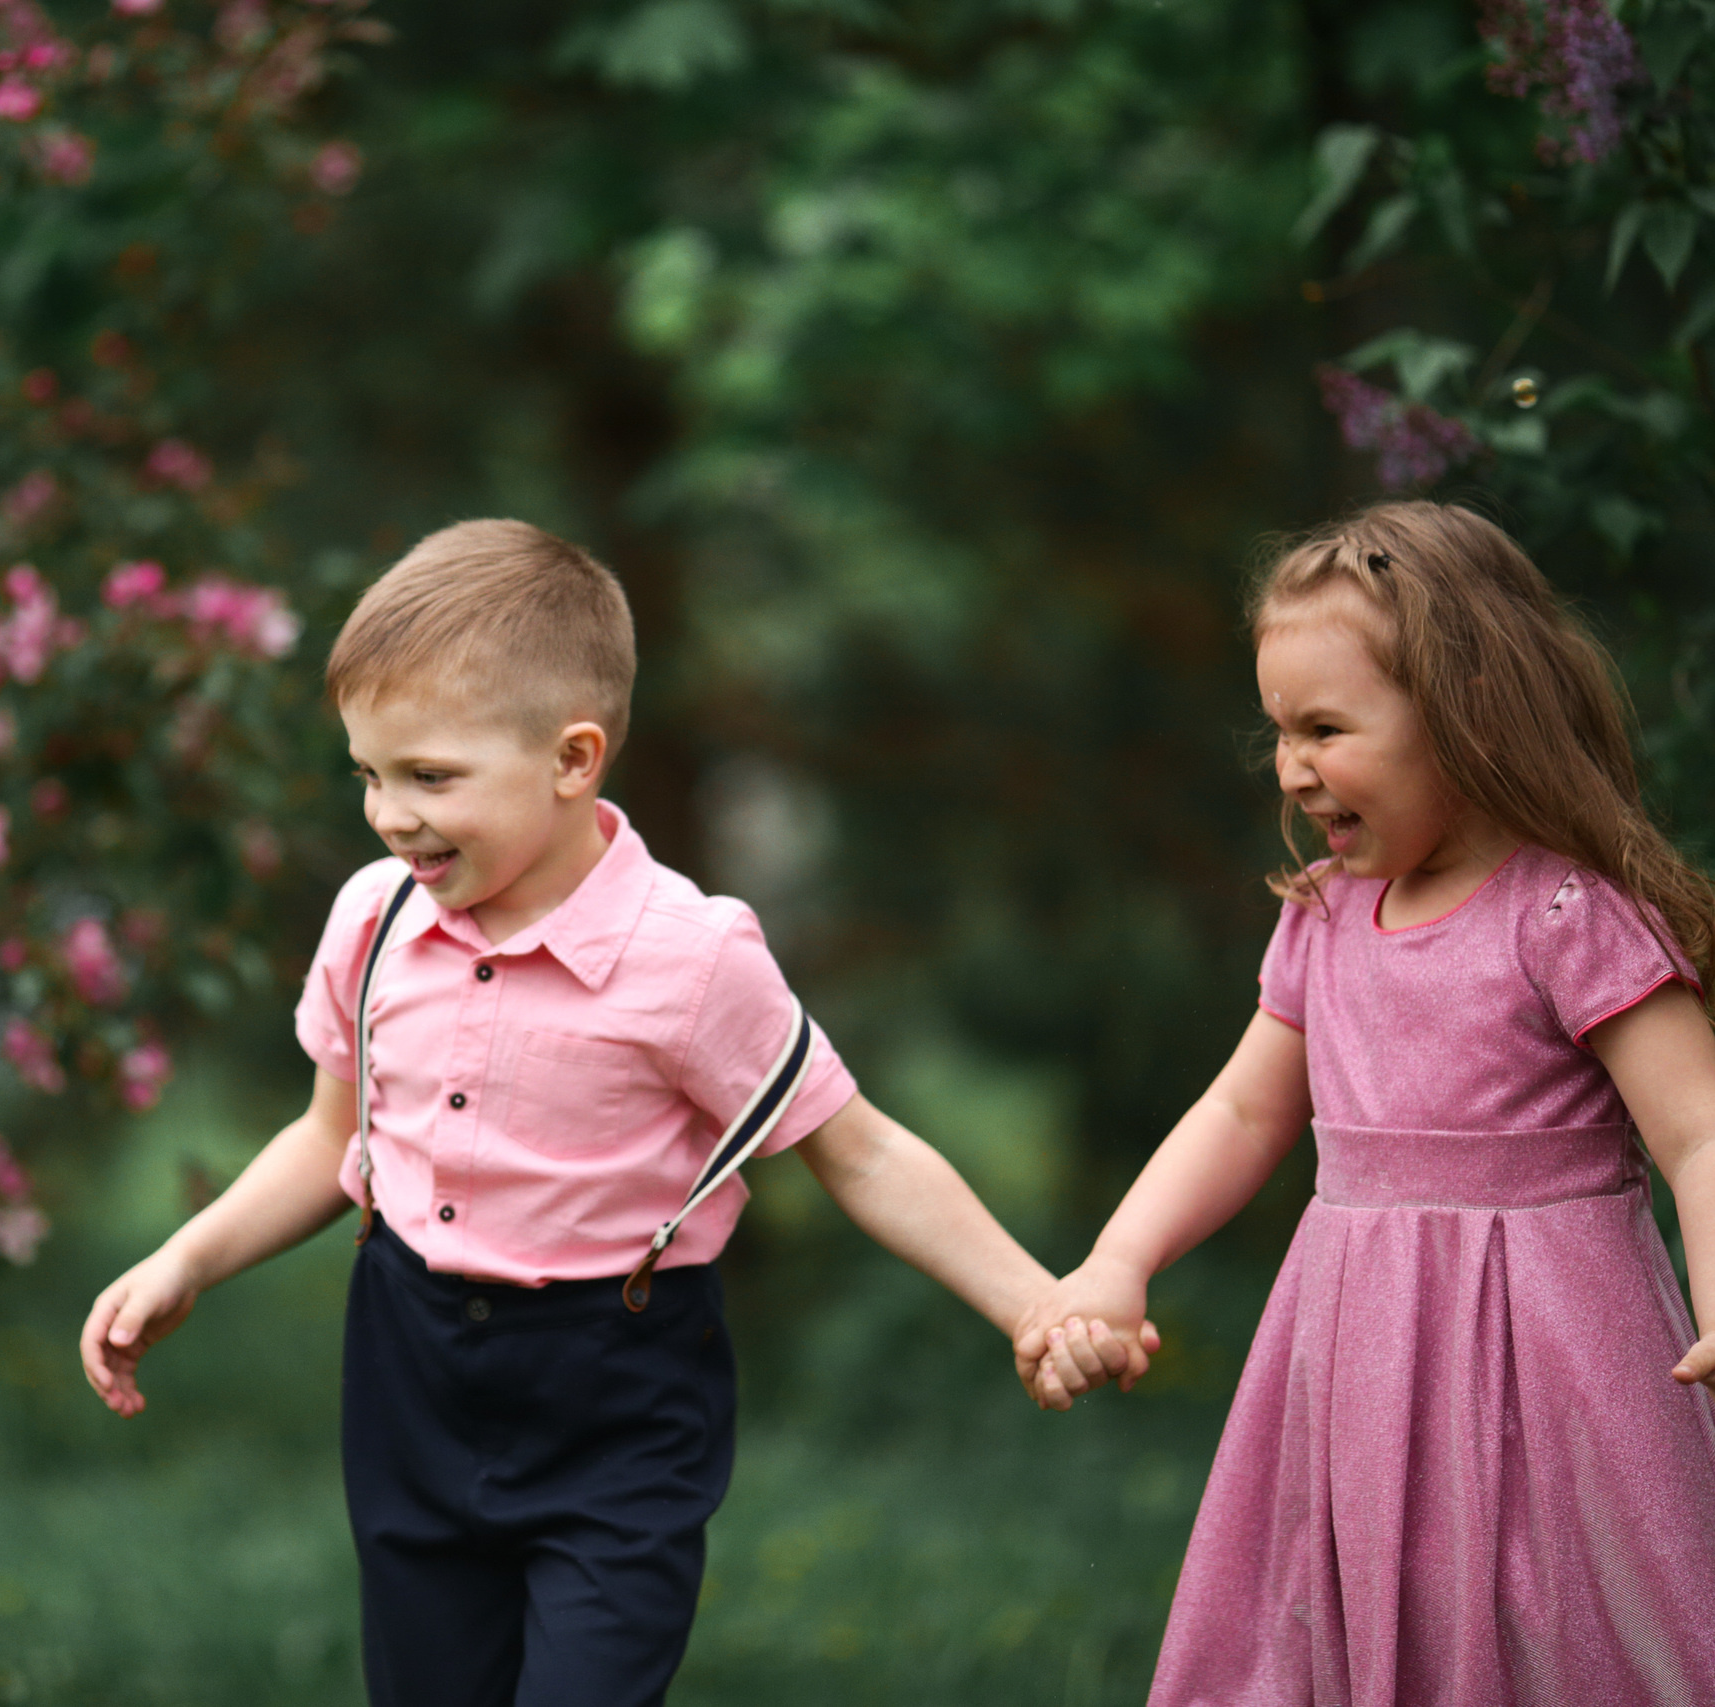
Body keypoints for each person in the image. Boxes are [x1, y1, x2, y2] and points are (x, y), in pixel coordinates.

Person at [79, 519, 1128, 1707]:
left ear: (572, 759)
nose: (389, 815)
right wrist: (187, 1258)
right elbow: (333, 1138)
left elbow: (860, 1150)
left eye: (430, 777)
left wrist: (1032, 1301)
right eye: (368, 773)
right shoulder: (374, 919)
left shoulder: (689, 958)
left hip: (614, 1398)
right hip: (409, 1374)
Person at [1019, 501, 1715, 1703]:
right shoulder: (1322, 917)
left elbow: (1703, 1137)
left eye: (1324, 728)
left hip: (1559, 1375)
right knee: (1377, 1612)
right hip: (1361, 1368)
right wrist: (1119, 1261)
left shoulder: (1562, 916)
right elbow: (1240, 1115)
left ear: (1466, 711)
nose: (1291, 766)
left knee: (1566, 1628)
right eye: (1279, 731)